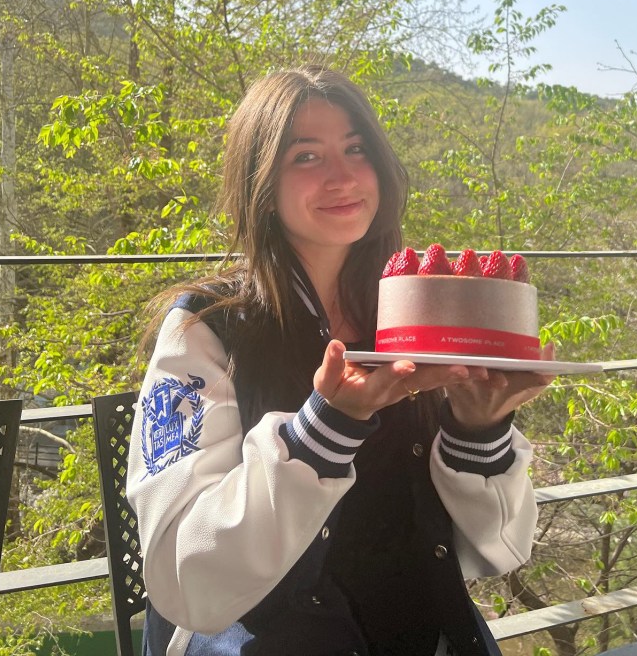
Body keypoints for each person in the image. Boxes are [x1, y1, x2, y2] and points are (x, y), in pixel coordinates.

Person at [127, 66, 555, 656]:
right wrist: (324, 428)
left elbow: (496, 550)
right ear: (261, 184)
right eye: (307, 156)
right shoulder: (206, 331)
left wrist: (477, 431)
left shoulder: (410, 317)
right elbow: (186, 578)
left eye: (357, 149)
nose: (343, 175)